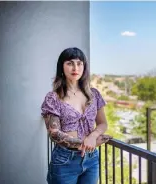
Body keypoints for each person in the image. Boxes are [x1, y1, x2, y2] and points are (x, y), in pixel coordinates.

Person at [41, 47, 112, 184]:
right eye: (70, 63)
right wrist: (83, 144)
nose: (75, 68)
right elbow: (54, 133)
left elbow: (103, 123)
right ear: (62, 67)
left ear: (84, 67)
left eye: (79, 63)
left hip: (92, 159)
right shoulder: (53, 98)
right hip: (65, 160)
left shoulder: (94, 94)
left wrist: (92, 137)